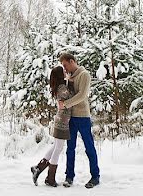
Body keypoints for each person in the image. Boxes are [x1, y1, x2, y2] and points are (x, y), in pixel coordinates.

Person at [58, 52, 100, 188]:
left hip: (82, 117)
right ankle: (69, 176)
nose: (64, 68)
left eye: (65, 65)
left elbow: (82, 95)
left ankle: (95, 176)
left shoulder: (84, 75)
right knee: (70, 148)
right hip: (71, 117)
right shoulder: (70, 76)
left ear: (72, 61)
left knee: (89, 147)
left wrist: (66, 104)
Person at [31, 66, 74, 187]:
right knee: (58, 148)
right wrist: (70, 81)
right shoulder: (62, 88)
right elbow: (71, 98)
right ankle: (50, 178)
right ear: (61, 75)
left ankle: (38, 168)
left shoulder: (60, 86)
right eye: (64, 72)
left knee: (56, 146)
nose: (66, 72)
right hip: (62, 121)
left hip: (61, 119)